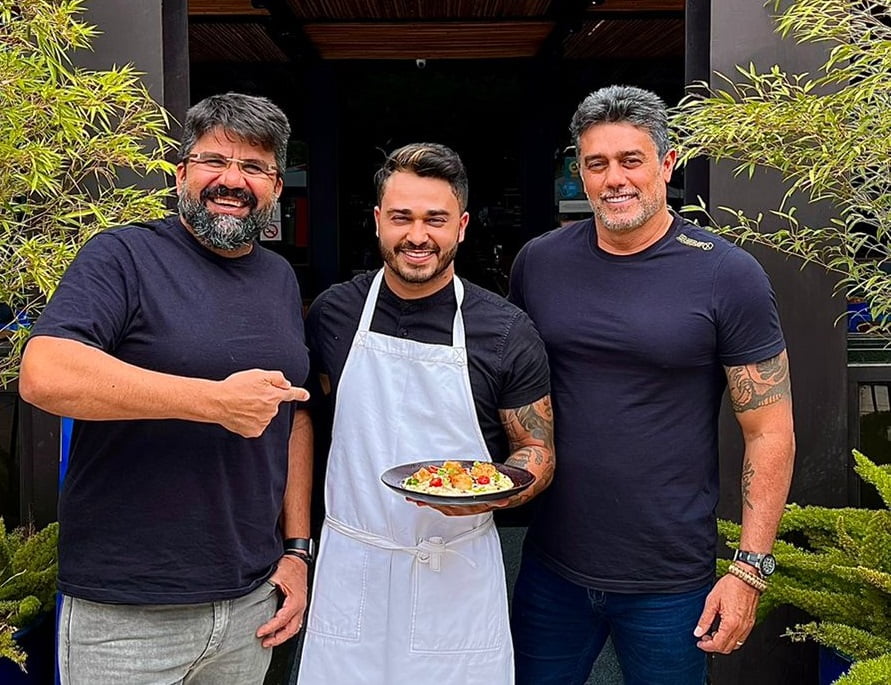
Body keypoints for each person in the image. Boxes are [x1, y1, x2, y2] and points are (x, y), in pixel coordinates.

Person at [19, 92, 313, 684]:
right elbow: (44, 372)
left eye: (254, 167)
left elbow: (292, 416)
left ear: (276, 187)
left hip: (249, 604)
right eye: (214, 161)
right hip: (127, 613)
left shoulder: (279, 277)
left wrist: (297, 551)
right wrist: (213, 402)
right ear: (181, 174)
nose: (232, 180)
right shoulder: (123, 256)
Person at [507, 85, 795, 685]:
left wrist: (749, 569)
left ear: (667, 163)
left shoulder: (727, 274)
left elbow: (769, 430)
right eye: (596, 163)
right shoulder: (539, 262)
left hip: (670, 580)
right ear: (581, 171)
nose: (614, 179)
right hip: (552, 564)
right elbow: (511, 387)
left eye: (630, 160)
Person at [297, 142, 555, 683]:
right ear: (377, 221)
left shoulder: (505, 331)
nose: (417, 235)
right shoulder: (333, 315)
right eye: (401, 217)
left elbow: (536, 450)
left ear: (461, 226)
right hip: (353, 566)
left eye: (435, 219)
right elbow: (309, 423)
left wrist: (493, 491)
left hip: (455, 572)